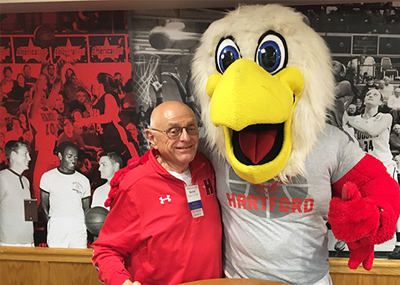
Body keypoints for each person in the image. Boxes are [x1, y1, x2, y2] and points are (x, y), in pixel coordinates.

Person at [91, 101, 222, 285]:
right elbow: (105, 250)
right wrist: (123, 283)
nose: (185, 137)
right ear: (151, 137)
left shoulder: (205, 166)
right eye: (173, 131)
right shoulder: (135, 185)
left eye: (191, 128)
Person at [76, 72, 138, 164]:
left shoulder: (109, 96)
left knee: (135, 170)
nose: (92, 87)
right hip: (109, 145)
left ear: (101, 85)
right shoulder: (96, 101)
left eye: (94, 84)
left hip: (122, 143)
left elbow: (109, 117)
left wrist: (86, 120)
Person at [40, 141, 91, 248]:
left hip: (78, 226)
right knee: (56, 261)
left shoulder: (83, 180)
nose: (74, 160)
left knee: (78, 262)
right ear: (60, 156)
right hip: (57, 226)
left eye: (76, 157)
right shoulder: (48, 177)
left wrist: (82, 225)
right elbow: (44, 206)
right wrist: (52, 223)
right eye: (70, 156)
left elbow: (86, 209)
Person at [0, 140, 34, 247]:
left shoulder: (26, 181)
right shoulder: (2, 178)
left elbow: (30, 215)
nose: (29, 158)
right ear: (13, 155)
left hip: (28, 241)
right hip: (9, 243)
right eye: (25, 154)